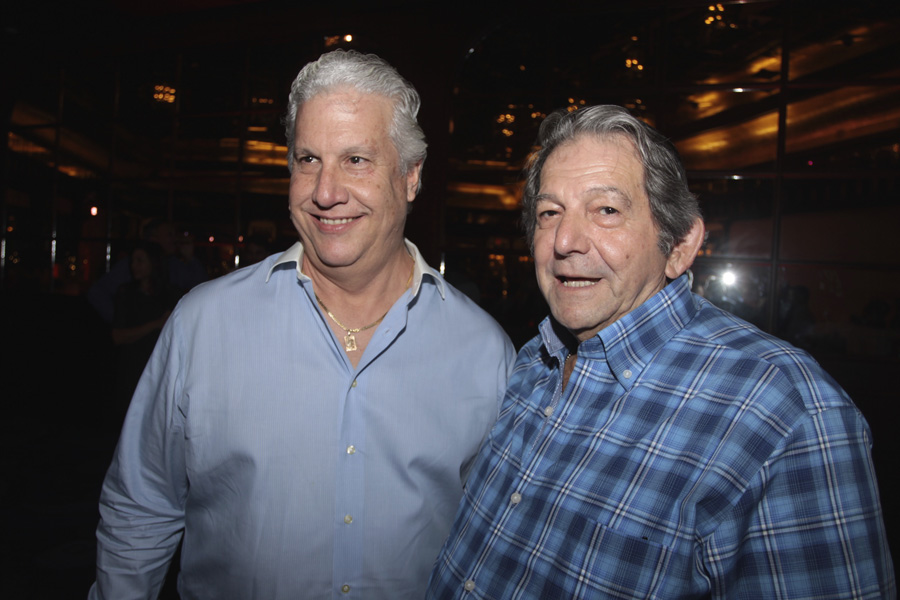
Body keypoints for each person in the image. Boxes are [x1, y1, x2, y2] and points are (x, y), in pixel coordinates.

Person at [90, 50, 515, 600]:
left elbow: (502, 543)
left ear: (411, 177)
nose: (325, 192)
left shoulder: (484, 351)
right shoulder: (204, 324)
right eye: (308, 159)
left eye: (356, 159)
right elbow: (141, 507)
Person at [427, 105, 894, 599]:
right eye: (549, 213)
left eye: (606, 210)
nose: (564, 241)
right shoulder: (533, 361)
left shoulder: (783, 410)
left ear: (680, 245)